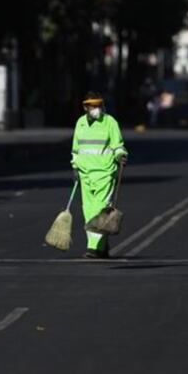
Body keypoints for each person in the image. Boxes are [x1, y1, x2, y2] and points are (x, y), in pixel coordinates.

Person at [70, 91, 128, 259]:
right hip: (85, 174)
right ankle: (101, 247)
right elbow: (76, 149)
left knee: (100, 211)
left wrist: (120, 155)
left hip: (105, 174)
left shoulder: (110, 122)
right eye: (92, 106)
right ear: (86, 107)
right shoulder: (80, 123)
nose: (96, 109)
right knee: (88, 212)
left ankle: (93, 248)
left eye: (98, 105)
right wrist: (75, 168)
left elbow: (118, 145)